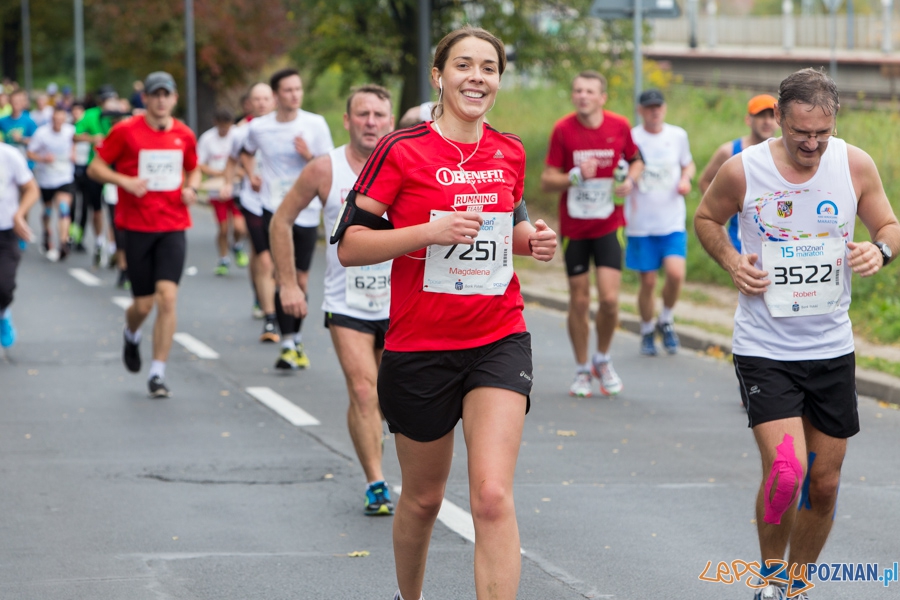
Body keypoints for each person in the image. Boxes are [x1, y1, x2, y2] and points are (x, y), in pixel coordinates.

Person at [337, 26, 557, 600]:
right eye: (463, 65)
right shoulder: (401, 150)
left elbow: (509, 228)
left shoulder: (508, 151)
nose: (476, 77)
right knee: (424, 497)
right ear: (439, 76)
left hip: (498, 336)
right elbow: (350, 244)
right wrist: (428, 232)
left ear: (499, 81)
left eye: (488, 68)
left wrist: (534, 240)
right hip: (419, 346)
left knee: (490, 496)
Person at [694, 68, 900, 600]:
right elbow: (707, 219)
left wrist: (877, 251)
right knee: (787, 472)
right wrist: (733, 262)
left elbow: (889, 227)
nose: (811, 144)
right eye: (800, 132)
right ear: (779, 120)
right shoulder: (745, 170)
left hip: (831, 346)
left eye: (822, 133)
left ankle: (797, 584)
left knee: (824, 484)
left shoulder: (854, 164)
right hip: (765, 347)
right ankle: (770, 578)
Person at [273, 84, 397, 516]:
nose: (370, 122)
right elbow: (281, 220)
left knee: (392, 396)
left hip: (403, 304)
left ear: (391, 121)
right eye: (362, 114)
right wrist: (288, 283)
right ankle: (376, 482)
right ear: (346, 121)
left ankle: (395, 462)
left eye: (379, 114)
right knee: (363, 391)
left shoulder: (410, 167)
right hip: (349, 304)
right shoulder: (325, 170)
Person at [87, 71, 200, 398]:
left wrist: (191, 188)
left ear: (174, 99)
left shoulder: (184, 134)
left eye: (167, 94)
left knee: (167, 297)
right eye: (156, 95)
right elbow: (96, 168)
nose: (162, 100)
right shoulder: (126, 132)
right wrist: (124, 182)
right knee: (142, 304)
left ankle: (157, 373)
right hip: (136, 227)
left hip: (173, 225)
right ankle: (131, 333)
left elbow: (194, 167)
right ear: (146, 99)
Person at [540, 70, 643, 398]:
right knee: (580, 300)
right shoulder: (563, 129)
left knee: (610, 300)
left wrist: (630, 180)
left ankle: (603, 357)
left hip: (609, 224)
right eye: (577, 90)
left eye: (589, 91)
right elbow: (546, 180)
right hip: (575, 228)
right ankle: (583, 368)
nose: (582, 95)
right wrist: (571, 177)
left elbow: (636, 161)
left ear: (602, 97)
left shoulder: (619, 126)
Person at [241, 68, 334, 370]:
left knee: (301, 278)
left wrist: (309, 155)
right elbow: (245, 151)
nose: (295, 95)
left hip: (306, 211)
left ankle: (296, 337)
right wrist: (251, 174)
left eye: (298, 89)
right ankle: (287, 343)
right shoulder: (260, 127)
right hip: (274, 207)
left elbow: (330, 165)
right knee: (283, 276)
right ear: (277, 95)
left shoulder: (314, 124)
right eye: (288, 90)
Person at [625, 89, 695, 356]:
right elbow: (623, 171)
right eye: (649, 107)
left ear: (664, 109)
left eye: (658, 107)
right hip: (641, 223)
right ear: (641, 110)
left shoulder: (677, 136)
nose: (654, 111)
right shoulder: (631, 138)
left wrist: (685, 179)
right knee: (649, 282)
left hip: (671, 221)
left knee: (676, 274)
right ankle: (645, 330)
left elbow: (688, 165)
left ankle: (665, 319)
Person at [222, 83, 279, 337]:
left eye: (266, 98)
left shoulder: (286, 128)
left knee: (272, 255)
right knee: (262, 255)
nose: (262, 103)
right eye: (257, 99)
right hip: (252, 200)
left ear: (274, 100)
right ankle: (264, 304)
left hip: (281, 201)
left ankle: (267, 292)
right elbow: (233, 159)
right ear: (250, 104)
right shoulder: (241, 131)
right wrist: (231, 180)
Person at [699, 94, 779, 253]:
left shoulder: (787, 154)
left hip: (778, 238)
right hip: (740, 239)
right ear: (748, 120)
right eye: (760, 116)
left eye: (771, 116)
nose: (767, 121)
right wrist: (723, 207)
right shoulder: (729, 151)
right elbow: (705, 181)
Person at [74, 85, 123, 274]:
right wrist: (93, 139)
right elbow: (76, 135)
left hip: (115, 170)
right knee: (96, 211)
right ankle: (99, 242)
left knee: (114, 212)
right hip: (95, 168)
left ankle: (114, 248)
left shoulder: (119, 115)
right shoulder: (90, 114)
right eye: (104, 100)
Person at [197, 108, 247, 276]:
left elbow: (247, 159)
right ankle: (223, 259)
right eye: (221, 128)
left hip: (237, 188)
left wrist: (240, 172)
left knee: (240, 227)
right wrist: (219, 173)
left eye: (227, 127)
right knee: (224, 228)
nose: (225, 131)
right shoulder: (207, 139)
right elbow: (200, 164)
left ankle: (237, 245)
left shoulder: (238, 135)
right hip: (216, 189)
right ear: (215, 124)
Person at [0, 142, 39, 349]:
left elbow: (32, 189)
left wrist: (19, 214)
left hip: (5, 232)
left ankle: (3, 313)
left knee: (4, 286)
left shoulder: (9, 155)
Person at [26, 106, 76, 260]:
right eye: (55, 120)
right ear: (51, 120)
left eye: (61, 120)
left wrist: (73, 152)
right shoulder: (42, 133)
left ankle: (63, 242)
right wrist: (42, 159)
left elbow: (75, 141)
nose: (58, 123)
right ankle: (47, 232)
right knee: (47, 210)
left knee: (63, 208)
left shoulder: (70, 130)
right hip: (46, 178)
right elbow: (30, 152)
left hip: (64, 176)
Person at [0, 89, 38, 163]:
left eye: (18, 102)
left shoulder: (29, 120)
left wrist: (22, 139)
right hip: (9, 162)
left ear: (22, 103)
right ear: (10, 102)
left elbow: (37, 142)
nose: (15, 104)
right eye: (14, 101)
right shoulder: (2, 121)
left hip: (25, 162)